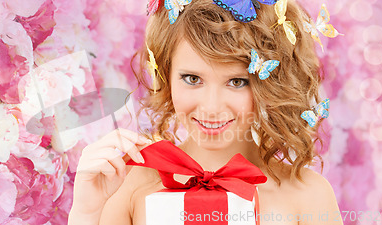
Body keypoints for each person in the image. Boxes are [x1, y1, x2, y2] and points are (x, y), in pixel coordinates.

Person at [69, 0, 342, 224]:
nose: (211, 108)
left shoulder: (308, 196)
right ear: (165, 76)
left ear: (270, 84)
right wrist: (86, 212)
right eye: (192, 79)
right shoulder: (128, 187)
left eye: (236, 82)